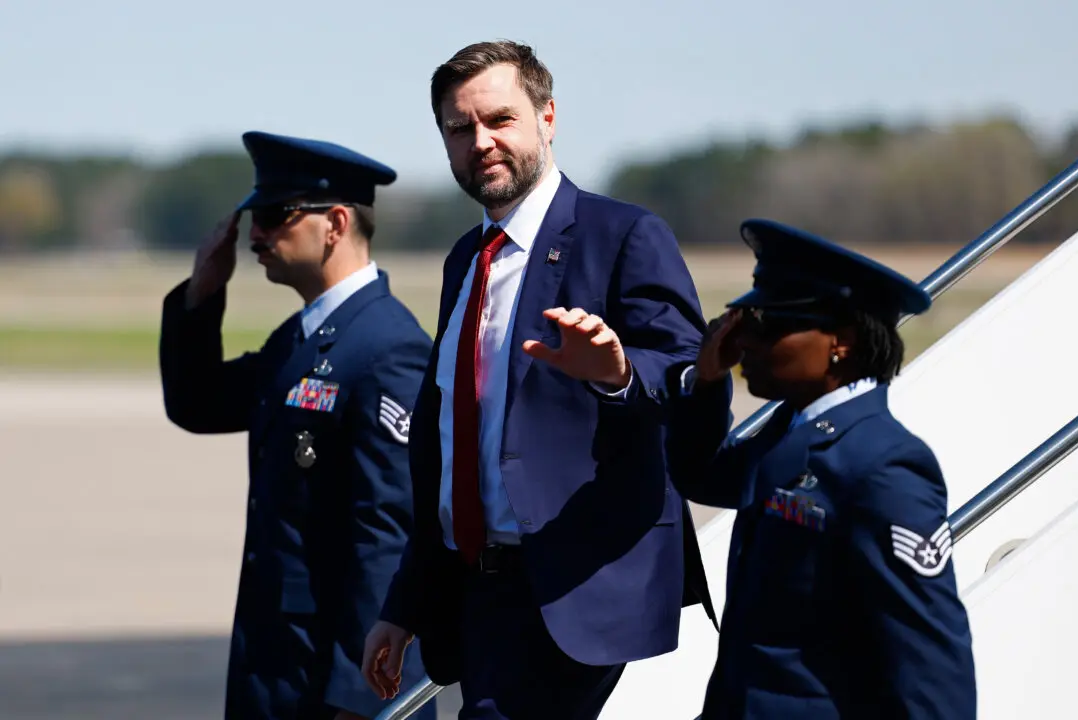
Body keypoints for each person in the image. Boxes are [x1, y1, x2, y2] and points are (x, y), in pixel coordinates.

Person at [361, 40, 717, 719]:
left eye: (500, 120)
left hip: (569, 583)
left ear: (547, 118)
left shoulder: (623, 235)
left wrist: (616, 373)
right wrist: (405, 605)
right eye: (460, 129)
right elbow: (450, 446)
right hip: (478, 589)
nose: (481, 142)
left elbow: (685, 371)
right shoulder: (467, 259)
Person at [159, 131, 435, 720]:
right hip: (279, 669)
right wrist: (201, 298)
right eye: (253, 217)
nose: (256, 234)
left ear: (335, 223)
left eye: (275, 215)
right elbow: (199, 403)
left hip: (335, 685)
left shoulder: (387, 348)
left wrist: (363, 700)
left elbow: (387, 534)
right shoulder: (302, 338)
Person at [665, 218, 978, 718]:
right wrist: (706, 384)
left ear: (843, 341)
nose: (745, 342)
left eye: (769, 325)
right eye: (744, 322)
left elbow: (930, 668)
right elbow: (704, 476)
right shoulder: (795, 427)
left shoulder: (885, 467)